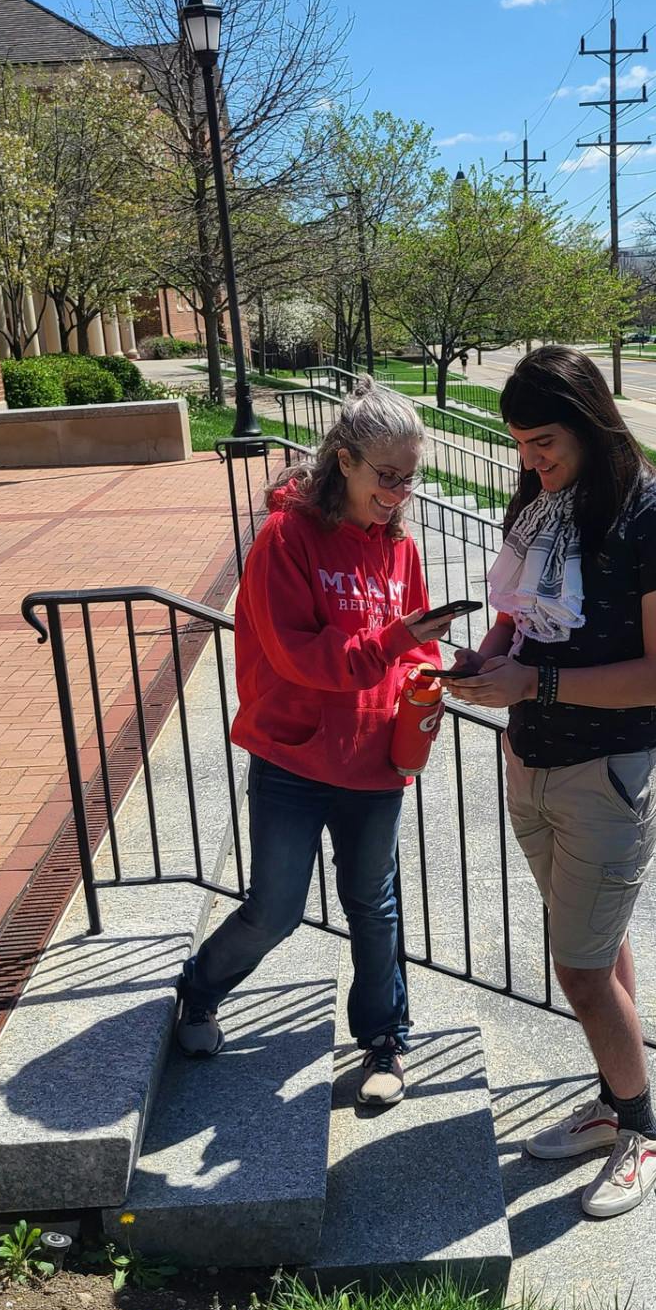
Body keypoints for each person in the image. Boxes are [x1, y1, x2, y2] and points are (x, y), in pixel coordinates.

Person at [454, 345, 656, 1218]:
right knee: (595, 945)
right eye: (520, 445)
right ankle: (611, 1100)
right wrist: (481, 664)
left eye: (543, 443)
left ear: (592, 423)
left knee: (578, 967)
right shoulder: (542, 501)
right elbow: (517, 614)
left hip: (609, 771)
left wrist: (536, 684)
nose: (530, 462)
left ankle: (643, 1129)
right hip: (530, 757)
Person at [174, 379, 456, 1107]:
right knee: (275, 907)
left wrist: (422, 684)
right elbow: (301, 655)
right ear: (342, 459)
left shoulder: (400, 547)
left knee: (373, 903)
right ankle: (200, 990)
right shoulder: (284, 539)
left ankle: (385, 1042)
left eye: (409, 476)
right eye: (385, 476)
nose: (397, 493)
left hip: (373, 761)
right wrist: (397, 640)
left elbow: (416, 650)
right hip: (292, 756)